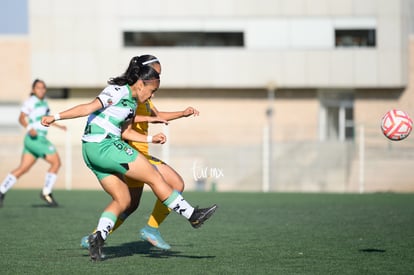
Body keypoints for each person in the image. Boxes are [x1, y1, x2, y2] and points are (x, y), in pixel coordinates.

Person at [41, 55, 217, 261]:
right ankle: (192, 216)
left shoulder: (132, 103)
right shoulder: (117, 91)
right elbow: (88, 108)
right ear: (141, 83)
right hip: (104, 145)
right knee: (154, 176)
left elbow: (125, 133)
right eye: (152, 90)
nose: (152, 95)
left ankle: (97, 239)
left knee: (123, 200)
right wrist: (56, 117)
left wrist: (150, 137)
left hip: (92, 151)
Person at [80, 55, 199, 250]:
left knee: (129, 204)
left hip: (139, 152)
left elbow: (158, 116)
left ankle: (96, 236)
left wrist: (182, 113)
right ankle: (152, 228)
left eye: (159, 74)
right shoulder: (133, 95)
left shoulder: (146, 96)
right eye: (156, 73)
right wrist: (149, 122)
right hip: (129, 152)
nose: (158, 77)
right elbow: (124, 118)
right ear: (143, 75)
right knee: (174, 183)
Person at [0, 79, 66, 207]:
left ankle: (1, 191)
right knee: (56, 162)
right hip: (37, 139)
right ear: (33, 90)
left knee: (23, 168)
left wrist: (59, 126)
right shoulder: (31, 102)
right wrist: (30, 129)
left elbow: (47, 119)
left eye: (43, 88)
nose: (41, 90)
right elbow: (21, 118)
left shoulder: (45, 103)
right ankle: (46, 192)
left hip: (33, 141)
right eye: (38, 88)